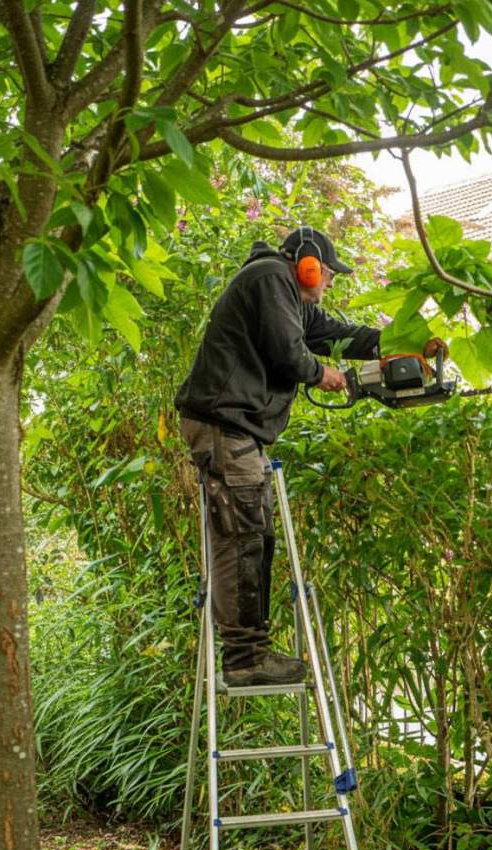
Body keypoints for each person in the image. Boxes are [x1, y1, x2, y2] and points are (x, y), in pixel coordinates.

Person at [176, 225, 446, 686]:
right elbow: (289, 354)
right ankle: (245, 660)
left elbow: (339, 334)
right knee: (241, 537)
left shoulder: (290, 300)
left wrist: (402, 345)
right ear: (307, 266)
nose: (330, 284)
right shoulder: (269, 279)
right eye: (329, 275)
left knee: (253, 535)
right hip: (226, 424)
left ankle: (249, 652)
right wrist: (323, 374)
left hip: (238, 429)